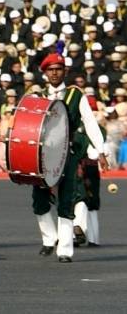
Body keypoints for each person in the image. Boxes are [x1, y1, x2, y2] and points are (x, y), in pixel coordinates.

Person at [32, 45, 105, 262]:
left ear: (64, 72)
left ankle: (65, 249)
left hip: (69, 152)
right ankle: (49, 238)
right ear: (45, 73)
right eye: (50, 69)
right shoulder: (39, 95)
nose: (54, 73)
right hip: (43, 155)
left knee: (67, 198)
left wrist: (100, 150)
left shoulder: (76, 94)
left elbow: (90, 123)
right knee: (39, 199)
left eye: (58, 69)